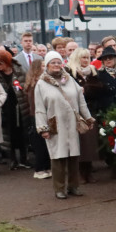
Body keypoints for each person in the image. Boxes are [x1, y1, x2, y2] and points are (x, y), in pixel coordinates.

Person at [34, 51, 94, 199]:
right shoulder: (41, 84)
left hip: (72, 123)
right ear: (47, 65)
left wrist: (88, 118)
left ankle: (74, 186)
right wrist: (43, 128)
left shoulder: (69, 80)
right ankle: (59, 188)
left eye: (58, 62)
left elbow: (81, 101)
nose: (56, 65)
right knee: (58, 157)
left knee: (74, 156)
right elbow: (39, 109)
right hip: (55, 124)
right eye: (52, 62)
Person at [0, 49, 30, 170]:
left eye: (0, 63)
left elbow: (26, 85)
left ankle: (24, 158)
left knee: (23, 132)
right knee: (9, 133)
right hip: (6, 107)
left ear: (7, 62)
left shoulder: (19, 70)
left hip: (20, 105)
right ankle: (12, 159)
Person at [68, 47, 101, 183]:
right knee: (80, 143)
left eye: (88, 57)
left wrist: (86, 89)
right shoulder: (69, 72)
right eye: (83, 57)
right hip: (76, 112)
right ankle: (81, 172)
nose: (86, 60)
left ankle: (88, 170)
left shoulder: (93, 72)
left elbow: (99, 88)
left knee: (90, 144)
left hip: (91, 110)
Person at [23, 58, 51, 179]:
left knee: (44, 144)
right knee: (40, 145)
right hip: (37, 116)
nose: (45, 68)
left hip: (37, 115)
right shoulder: (36, 85)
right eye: (43, 66)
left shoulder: (34, 83)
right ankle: (39, 169)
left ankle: (46, 167)